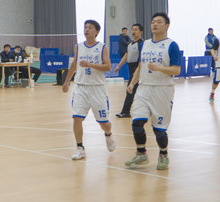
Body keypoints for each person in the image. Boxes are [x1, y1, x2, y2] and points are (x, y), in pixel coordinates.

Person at [125, 12, 181, 170]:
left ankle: (163, 155)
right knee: (137, 123)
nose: (154, 24)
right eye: (153, 22)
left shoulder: (172, 45)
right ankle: (141, 153)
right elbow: (140, 66)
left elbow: (176, 70)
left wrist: (159, 68)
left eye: (159, 22)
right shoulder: (145, 44)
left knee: (159, 130)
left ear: (167, 26)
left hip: (162, 90)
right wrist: (132, 83)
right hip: (144, 88)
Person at [62, 20, 115, 160]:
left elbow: (108, 67)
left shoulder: (102, 47)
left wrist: (90, 64)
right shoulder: (78, 47)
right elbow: (74, 65)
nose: (86, 30)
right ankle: (80, 148)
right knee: (76, 117)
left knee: (104, 123)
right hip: (81, 87)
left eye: (90, 28)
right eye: (85, 27)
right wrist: (66, 82)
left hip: (97, 88)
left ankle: (108, 134)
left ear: (97, 31)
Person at [113, 23, 143, 118]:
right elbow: (126, 55)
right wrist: (118, 66)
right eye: (132, 29)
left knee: (130, 90)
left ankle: (125, 111)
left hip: (138, 69)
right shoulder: (130, 44)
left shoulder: (142, 44)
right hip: (130, 69)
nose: (133, 31)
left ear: (141, 32)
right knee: (133, 90)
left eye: (136, 30)